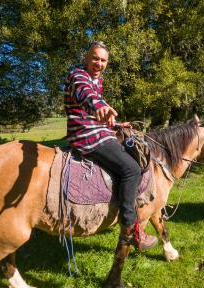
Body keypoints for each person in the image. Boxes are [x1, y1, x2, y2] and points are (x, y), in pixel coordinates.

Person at [63, 41, 157, 251]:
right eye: (95, 58)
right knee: (131, 169)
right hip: (87, 136)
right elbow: (86, 95)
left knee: (134, 150)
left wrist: (115, 122)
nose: (99, 63)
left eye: (103, 60)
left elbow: (97, 104)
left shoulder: (97, 80)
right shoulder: (78, 76)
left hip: (99, 130)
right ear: (86, 58)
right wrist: (100, 108)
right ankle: (130, 228)